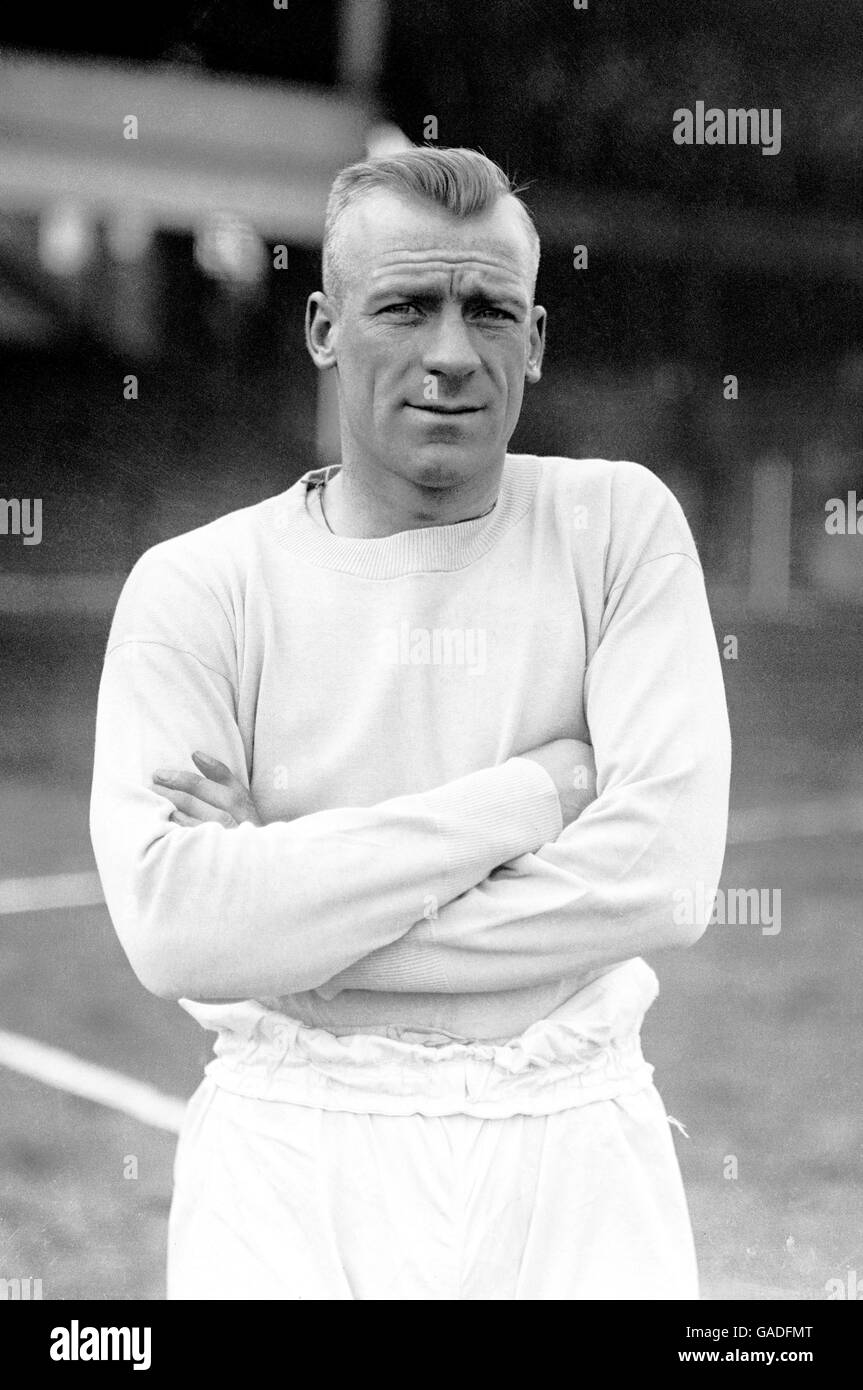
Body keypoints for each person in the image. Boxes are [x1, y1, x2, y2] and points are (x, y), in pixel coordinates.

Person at [90, 146, 731, 1300]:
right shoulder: (196, 589)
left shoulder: (617, 530)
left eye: (488, 310)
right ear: (324, 328)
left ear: (532, 339)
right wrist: (525, 798)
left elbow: (665, 881)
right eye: (405, 306)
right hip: (291, 1151)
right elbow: (177, 929)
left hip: (571, 1138)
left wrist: (293, 917)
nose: (449, 352)